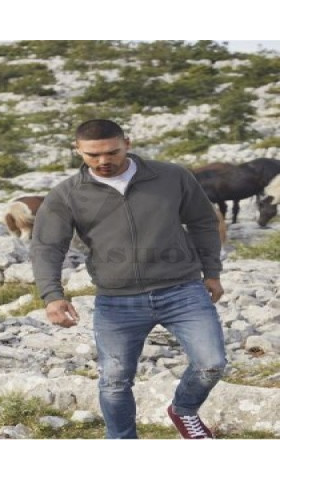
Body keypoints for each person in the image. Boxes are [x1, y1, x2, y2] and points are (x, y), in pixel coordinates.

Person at [30, 119, 227, 439]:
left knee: (212, 363)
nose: (103, 161)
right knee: (114, 381)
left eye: (112, 152)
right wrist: (52, 295)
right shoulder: (66, 194)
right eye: (93, 155)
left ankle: (184, 410)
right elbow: (47, 247)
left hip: (182, 290)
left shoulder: (172, 176)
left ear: (128, 144)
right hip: (117, 301)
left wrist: (212, 272)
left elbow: (203, 222)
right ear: (77, 150)